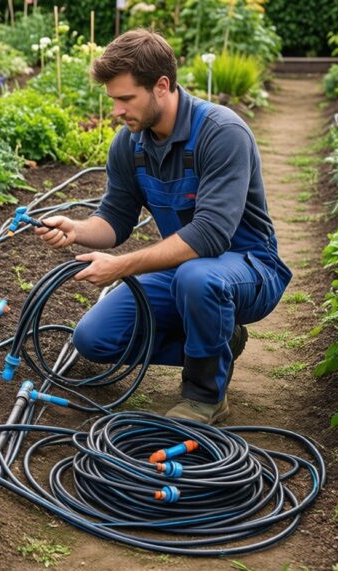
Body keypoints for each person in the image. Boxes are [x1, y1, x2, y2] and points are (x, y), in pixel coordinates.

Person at [34, 29, 291, 424]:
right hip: (186, 270)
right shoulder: (129, 144)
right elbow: (116, 220)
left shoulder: (221, 133)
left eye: (125, 99)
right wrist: (77, 229)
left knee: (198, 278)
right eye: (113, 100)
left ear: (161, 86)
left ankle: (205, 396)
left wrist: (120, 267)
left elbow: (209, 235)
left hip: (249, 266)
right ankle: (218, 340)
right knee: (93, 339)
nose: (117, 111)